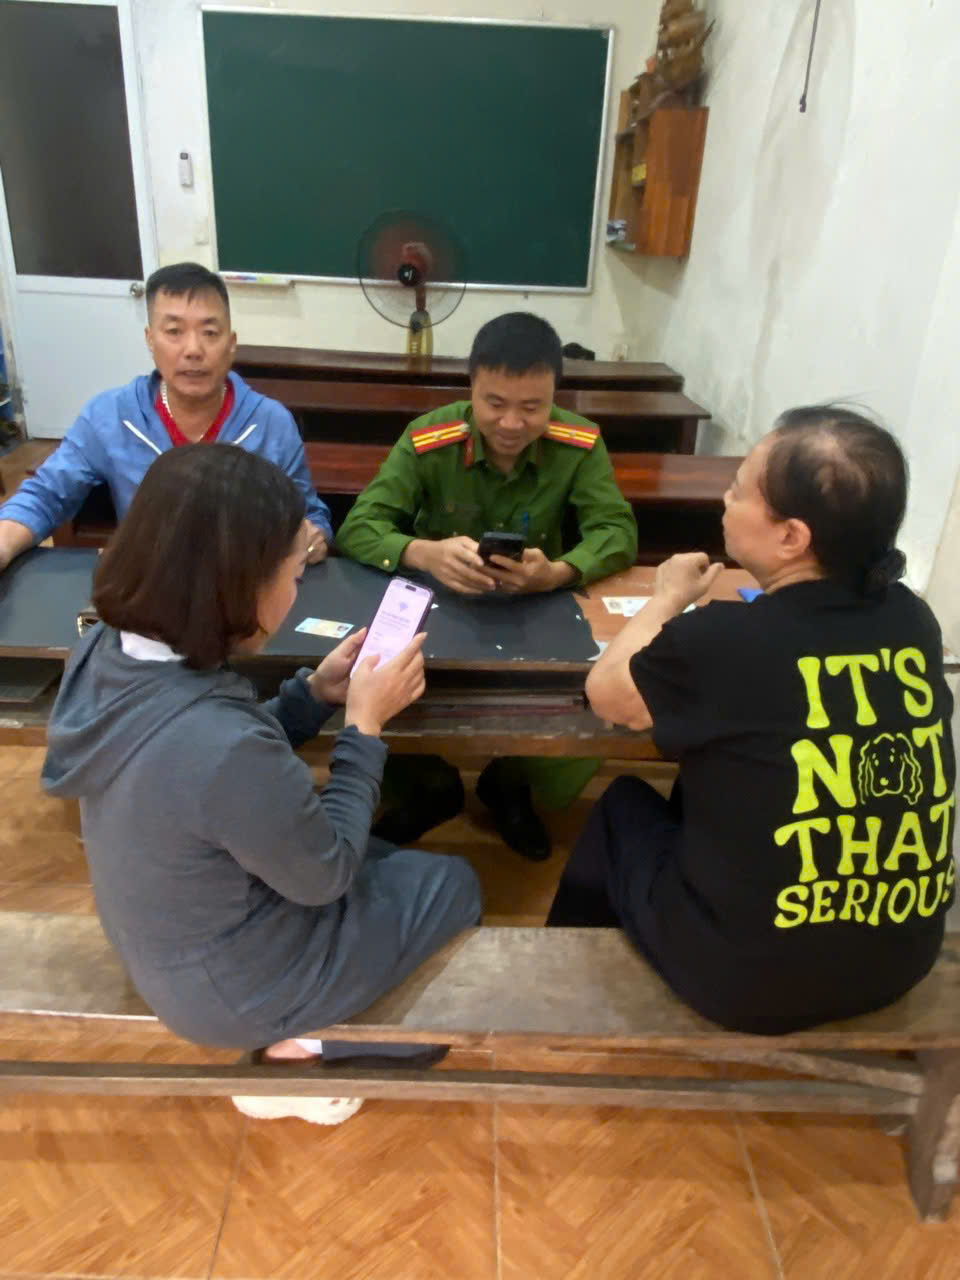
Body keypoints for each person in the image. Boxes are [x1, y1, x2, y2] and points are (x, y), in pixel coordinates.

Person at [41, 445, 482, 1124]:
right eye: (293, 573)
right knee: (455, 883)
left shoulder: (108, 646)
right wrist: (363, 726)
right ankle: (299, 1050)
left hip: (163, 937)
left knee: (388, 861)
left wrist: (312, 696)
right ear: (241, 585)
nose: (296, 590)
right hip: (226, 993)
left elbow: (207, 775)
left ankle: (315, 1022)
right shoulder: (218, 745)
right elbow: (324, 874)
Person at [548, 406, 955, 1033]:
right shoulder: (912, 619)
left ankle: (564, 992)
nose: (724, 499)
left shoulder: (724, 639)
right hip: (899, 959)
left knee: (622, 806)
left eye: (738, 490)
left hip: (748, 983)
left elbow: (607, 694)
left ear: (792, 537)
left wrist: (667, 597)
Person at [337, 312, 638, 860]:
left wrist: (559, 571)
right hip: (438, 602)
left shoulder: (580, 442)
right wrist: (422, 552)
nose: (512, 423)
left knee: (602, 704)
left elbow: (617, 532)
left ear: (555, 396)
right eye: (494, 403)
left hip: (535, 603)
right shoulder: (428, 438)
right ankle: (428, 789)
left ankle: (513, 786)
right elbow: (359, 525)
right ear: (471, 387)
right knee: (364, 677)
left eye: (532, 407)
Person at [0, 262, 332, 573]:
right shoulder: (111, 416)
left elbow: (309, 516)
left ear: (231, 344)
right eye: (174, 331)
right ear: (150, 339)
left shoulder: (271, 423)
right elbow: (46, 495)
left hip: (242, 590)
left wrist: (312, 539)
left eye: (210, 333)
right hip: (149, 589)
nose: (193, 350)